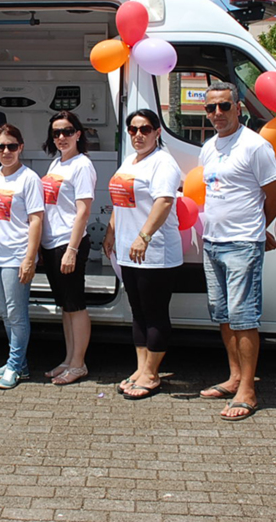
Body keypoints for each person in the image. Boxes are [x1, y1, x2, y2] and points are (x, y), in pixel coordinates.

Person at [197, 81, 276, 421]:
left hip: (241, 245)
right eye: (210, 108)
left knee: (243, 316)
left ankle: (248, 390)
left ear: (238, 107)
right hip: (213, 243)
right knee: (223, 314)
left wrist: (256, 230)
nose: (216, 113)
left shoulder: (255, 146)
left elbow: (275, 196)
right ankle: (234, 376)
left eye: (223, 106)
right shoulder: (209, 148)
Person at [102, 109, 183, 400]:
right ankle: (141, 368)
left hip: (155, 251)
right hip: (127, 250)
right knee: (137, 311)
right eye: (133, 129)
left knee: (154, 313)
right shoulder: (130, 159)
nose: (138, 134)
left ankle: (152, 373)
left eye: (145, 129)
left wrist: (143, 237)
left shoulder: (163, 163)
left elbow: (163, 202)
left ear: (157, 132)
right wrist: (111, 232)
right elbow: (120, 200)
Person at [0, 124, 45, 390]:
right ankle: (18, 364)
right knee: (5, 314)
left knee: (17, 315)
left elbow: (36, 220)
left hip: (16, 256)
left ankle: (14, 366)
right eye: (0, 146)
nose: (5, 151)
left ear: (21, 147)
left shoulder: (29, 178)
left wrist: (30, 258)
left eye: (11, 146)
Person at [39, 111, 97, 386]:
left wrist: (72, 249)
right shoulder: (56, 163)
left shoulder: (81, 165)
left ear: (78, 133)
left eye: (67, 131)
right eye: (56, 133)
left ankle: (79, 364)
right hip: (52, 243)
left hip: (69, 243)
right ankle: (68, 358)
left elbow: (83, 211)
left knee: (75, 305)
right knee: (64, 305)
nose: (61, 137)